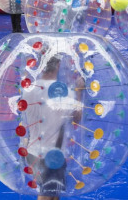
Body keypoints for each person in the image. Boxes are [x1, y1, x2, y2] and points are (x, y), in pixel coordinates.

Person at [23, 55, 84, 200]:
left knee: (53, 194)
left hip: (32, 152)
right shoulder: (66, 93)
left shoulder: (28, 90)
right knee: (45, 195)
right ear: (58, 65)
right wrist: (79, 92)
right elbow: (77, 117)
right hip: (53, 156)